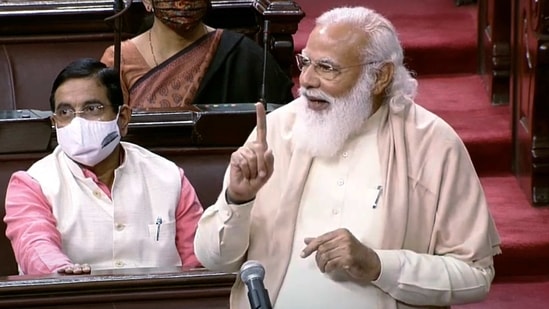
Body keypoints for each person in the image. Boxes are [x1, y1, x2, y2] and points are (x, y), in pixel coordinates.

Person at [193, 6, 502, 309]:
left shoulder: (433, 144)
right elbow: (213, 259)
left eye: (327, 68)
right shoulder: (275, 131)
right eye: (306, 63)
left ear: (380, 77)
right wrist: (237, 200)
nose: (307, 81)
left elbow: (475, 275)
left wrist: (379, 265)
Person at [3, 58, 203, 275]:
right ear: (55, 121)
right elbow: (34, 245)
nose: (77, 122)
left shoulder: (169, 177)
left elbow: (199, 261)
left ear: (123, 118)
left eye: (92, 108)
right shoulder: (32, 184)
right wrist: (61, 272)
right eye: (65, 112)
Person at [100, 0, 294, 111]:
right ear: (147, 2)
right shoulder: (119, 59)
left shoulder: (242, 54)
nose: (184, 2)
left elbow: (283, 121)